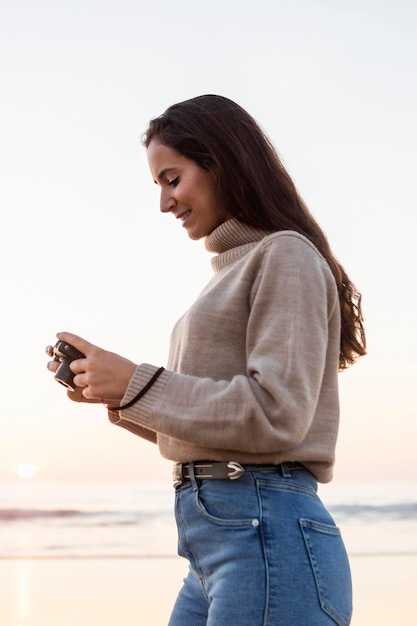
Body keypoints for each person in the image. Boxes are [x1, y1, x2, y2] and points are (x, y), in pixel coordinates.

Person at [46, 94, 366, 626]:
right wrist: (121, 396)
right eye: (159, 187)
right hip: (217, 546)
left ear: (222, 162)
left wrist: (138, 384)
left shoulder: (285, 254)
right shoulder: (231, 270)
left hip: (266, 536)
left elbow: (275, 414)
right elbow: (224, 427)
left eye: (173, 179)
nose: (165, 203)